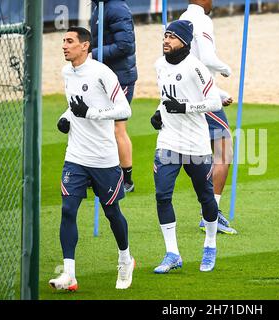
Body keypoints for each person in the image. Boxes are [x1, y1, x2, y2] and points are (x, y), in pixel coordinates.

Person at [49, 27, 135, 291]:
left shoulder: (102, 73)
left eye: (70, 41)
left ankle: (125, 260)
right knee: (67, 210)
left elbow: (124, 109)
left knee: (111, 212)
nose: (64, 45)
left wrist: (91, 113)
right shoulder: (66, 72)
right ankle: (70, 274)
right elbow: (75, 103)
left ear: (85, 46)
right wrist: (66, 117)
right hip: (75, 155)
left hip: (104, 158)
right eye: (63, 41)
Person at [150, 20, 222, 273]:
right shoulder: (159, 65)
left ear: (184, 41)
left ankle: (210, 246)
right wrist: (159, 112)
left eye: (171, 36)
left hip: (196, 144)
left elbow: (214, 102)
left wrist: (185, 108)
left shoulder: (196, 68)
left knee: (205, 196)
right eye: (165, 35)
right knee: (162, 195)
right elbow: (165, 97)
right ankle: (172, 254)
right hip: (168, 141)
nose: (166, 40)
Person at [180, 0, 237, 235]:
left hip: (184, 93)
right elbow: (207, 58)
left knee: (195, 152)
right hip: (201, 96)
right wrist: (227, 70)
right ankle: (211, 213)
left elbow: (187, 62)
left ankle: (208, 210)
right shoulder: (202, 20)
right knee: (224, 149)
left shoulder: (181, 19)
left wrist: (218, 92)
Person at [91, 0, 137, 192]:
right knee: (99, 126)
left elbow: (125, 45)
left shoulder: (117, 8)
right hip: (104, 76)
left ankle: (127, 180)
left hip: (120, 78)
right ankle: (99, 174)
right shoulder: (97, 7)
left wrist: (91, 54)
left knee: (118, 128)